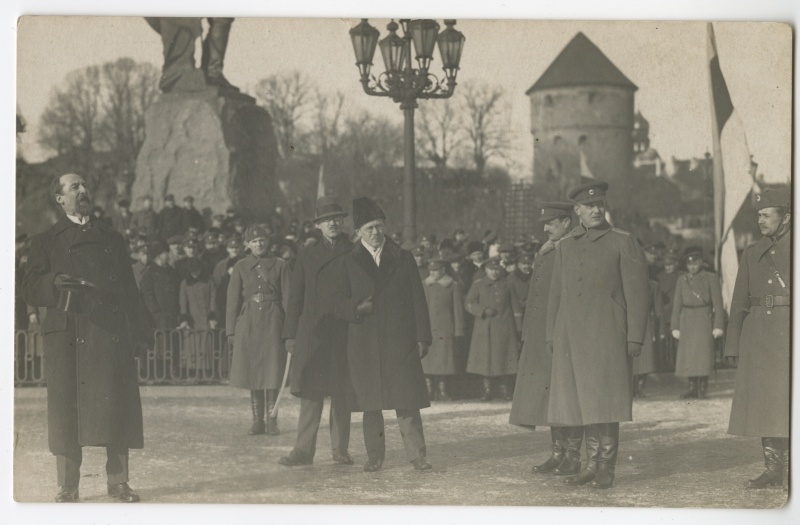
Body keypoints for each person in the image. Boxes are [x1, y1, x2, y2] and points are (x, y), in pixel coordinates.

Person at [20, 173, 148, 503]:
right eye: (74, 187)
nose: (83, 190)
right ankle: (68, 485)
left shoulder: (112, 238)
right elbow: (28, 287)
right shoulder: (45, 240)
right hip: (66, 335)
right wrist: (54, 282)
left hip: (107, 332)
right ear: (60, 199)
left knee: (114, 404)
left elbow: (130, 291)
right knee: (66, 411)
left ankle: (118, 482)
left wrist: (139, 333)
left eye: (84, 186)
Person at [546, 181, 650, 490]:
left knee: (606, 401)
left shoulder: (623, 241)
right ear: (576, 210)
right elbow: (557, 293)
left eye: (599, 204)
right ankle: (590, 463)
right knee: (582, 401)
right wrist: (552, 334)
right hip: (571, 337)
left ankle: (606, 465)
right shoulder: (565, 245)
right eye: (589, 206)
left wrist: (635, 337)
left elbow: (638, 293)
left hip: (607, 334)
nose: (596, 209)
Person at [328, 197, 433, 472]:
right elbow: (335, 302)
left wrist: (423, 336)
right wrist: (356, 308)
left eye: (379, 226)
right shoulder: (347, 261)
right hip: (363, 343)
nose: (375, 232)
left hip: (400, 341)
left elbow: (417, 299)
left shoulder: (403, 257)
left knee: (406, 401)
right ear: (358, 232)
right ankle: (375, 456)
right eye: (369, 228)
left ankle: (417, 455)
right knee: (370, 404)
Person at [279, 196, 355, 467]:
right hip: (313, 332)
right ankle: (302, 450)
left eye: (336, 218)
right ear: (318, 226)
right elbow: (295, 299)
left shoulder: (354, 251)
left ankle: (340, 450)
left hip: (343, 330)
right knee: (310, 393)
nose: (332, 223)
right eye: (326, 220)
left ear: (343, 221)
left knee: (341, 393)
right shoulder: (307, 256)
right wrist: (290, 335)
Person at [510, 202, 583, 476]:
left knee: (567, 395)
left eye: (550, 222)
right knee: (549, 396)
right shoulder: (548, 250)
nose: (545, 228)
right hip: (541, 334)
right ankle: (558, 453)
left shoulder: (574, 247)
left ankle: (573, 455)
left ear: (566, 222)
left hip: (562, 333)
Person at [725, 188, 790, 490]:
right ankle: (773, 469)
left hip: (790, 333)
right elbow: (739, 301)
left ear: (786, 215)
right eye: (759, 215)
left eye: (767, 215)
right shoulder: (752, 252)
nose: (761, 220)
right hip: (760, 336)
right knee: (767, 403)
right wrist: (732, 344)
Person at [226, 224, 290, 436]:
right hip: (250, 322)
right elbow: (232, 301)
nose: (258, 244)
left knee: (272, 370)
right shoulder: (241, 267)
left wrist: (290, 329)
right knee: (253, 371)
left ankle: (272, 420)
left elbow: (288, 299)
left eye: (262, 240)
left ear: (268, 241)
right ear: (247, 245)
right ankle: (257, 420)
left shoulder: (280, 265)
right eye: (253, 241)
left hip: (273, 320)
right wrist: (231, 331)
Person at [670, 246, 724, 399]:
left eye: (695, 263)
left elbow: (718, 304)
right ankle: (692, 387)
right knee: (688, 356)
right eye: (689, 264)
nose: (692, 266)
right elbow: (677, 305)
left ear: (701, 262)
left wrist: (718, 325)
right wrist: (675, 326)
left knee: (703, 355)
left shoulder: (710, 278)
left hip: (703, 319)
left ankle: (702, 388)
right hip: (686, 320)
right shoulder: (682, 280)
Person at [465, 258, 521, 401]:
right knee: (486, 360)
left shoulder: (507, 284)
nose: (494, 272)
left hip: (505, 328)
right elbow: (469, 303)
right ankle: (487, 391)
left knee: (505, 360)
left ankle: (505, 390)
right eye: (491, 269)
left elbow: (516, 308)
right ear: (486, 270)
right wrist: (482, 310)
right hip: (485, 329)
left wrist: (519, 328)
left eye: (497, 269)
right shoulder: (478, 285)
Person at [421, 259, 465, 402]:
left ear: (443, 270)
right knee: (427, 361)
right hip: (428, 329)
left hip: (446, 329)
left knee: (444, 362)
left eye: (436, 270)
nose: (433, 273)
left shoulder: (453, 286)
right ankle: (428, 390)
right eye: (431, 270)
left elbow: (458, 310)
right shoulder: (424, 285)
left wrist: (459, 331)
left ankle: (442, 390)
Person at [656, 252, 680, 371]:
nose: (668, 267)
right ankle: (665, 365)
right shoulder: (660, 278)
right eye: (666, 265)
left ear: (676, 264)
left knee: (677, 341)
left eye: (671, 264)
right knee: (664, 341)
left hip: (677, 313)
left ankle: (676, 363)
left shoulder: (681, 276)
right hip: (665, 313)